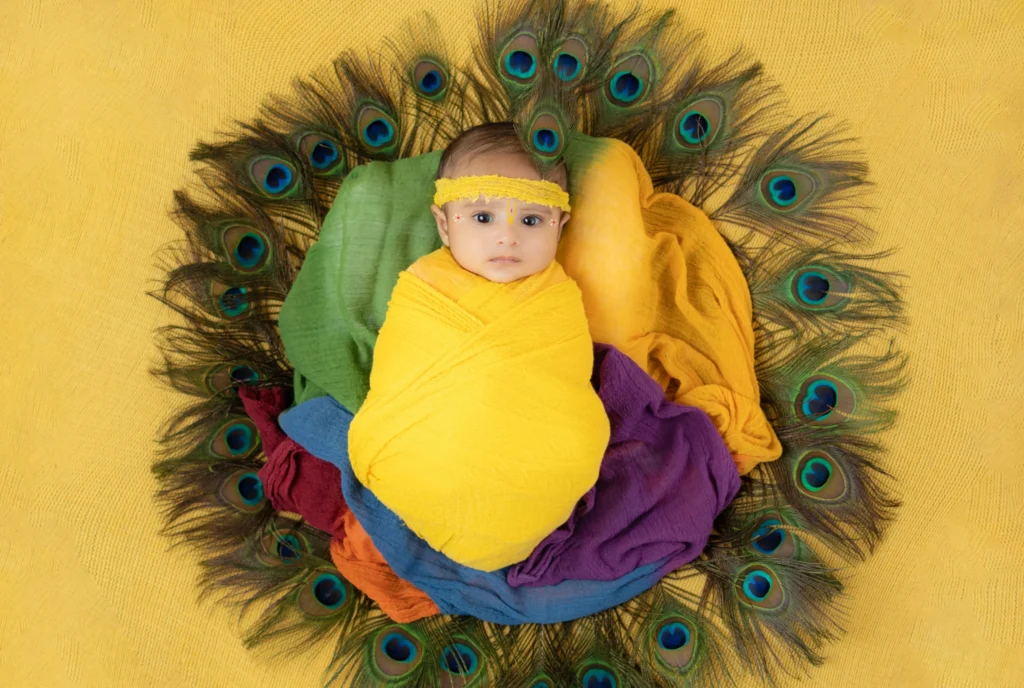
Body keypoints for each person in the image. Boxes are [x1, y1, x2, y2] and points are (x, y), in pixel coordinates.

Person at [346, 122, 611, 572]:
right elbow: (396, 370)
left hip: (537, 462)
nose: (507, 237)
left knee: (575, 438)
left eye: (531, 220)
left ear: (560, 226)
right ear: (444, 225)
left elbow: (564, 378)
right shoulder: (422, 288)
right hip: (421, 452)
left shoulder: (557, 298)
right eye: (483, 218)